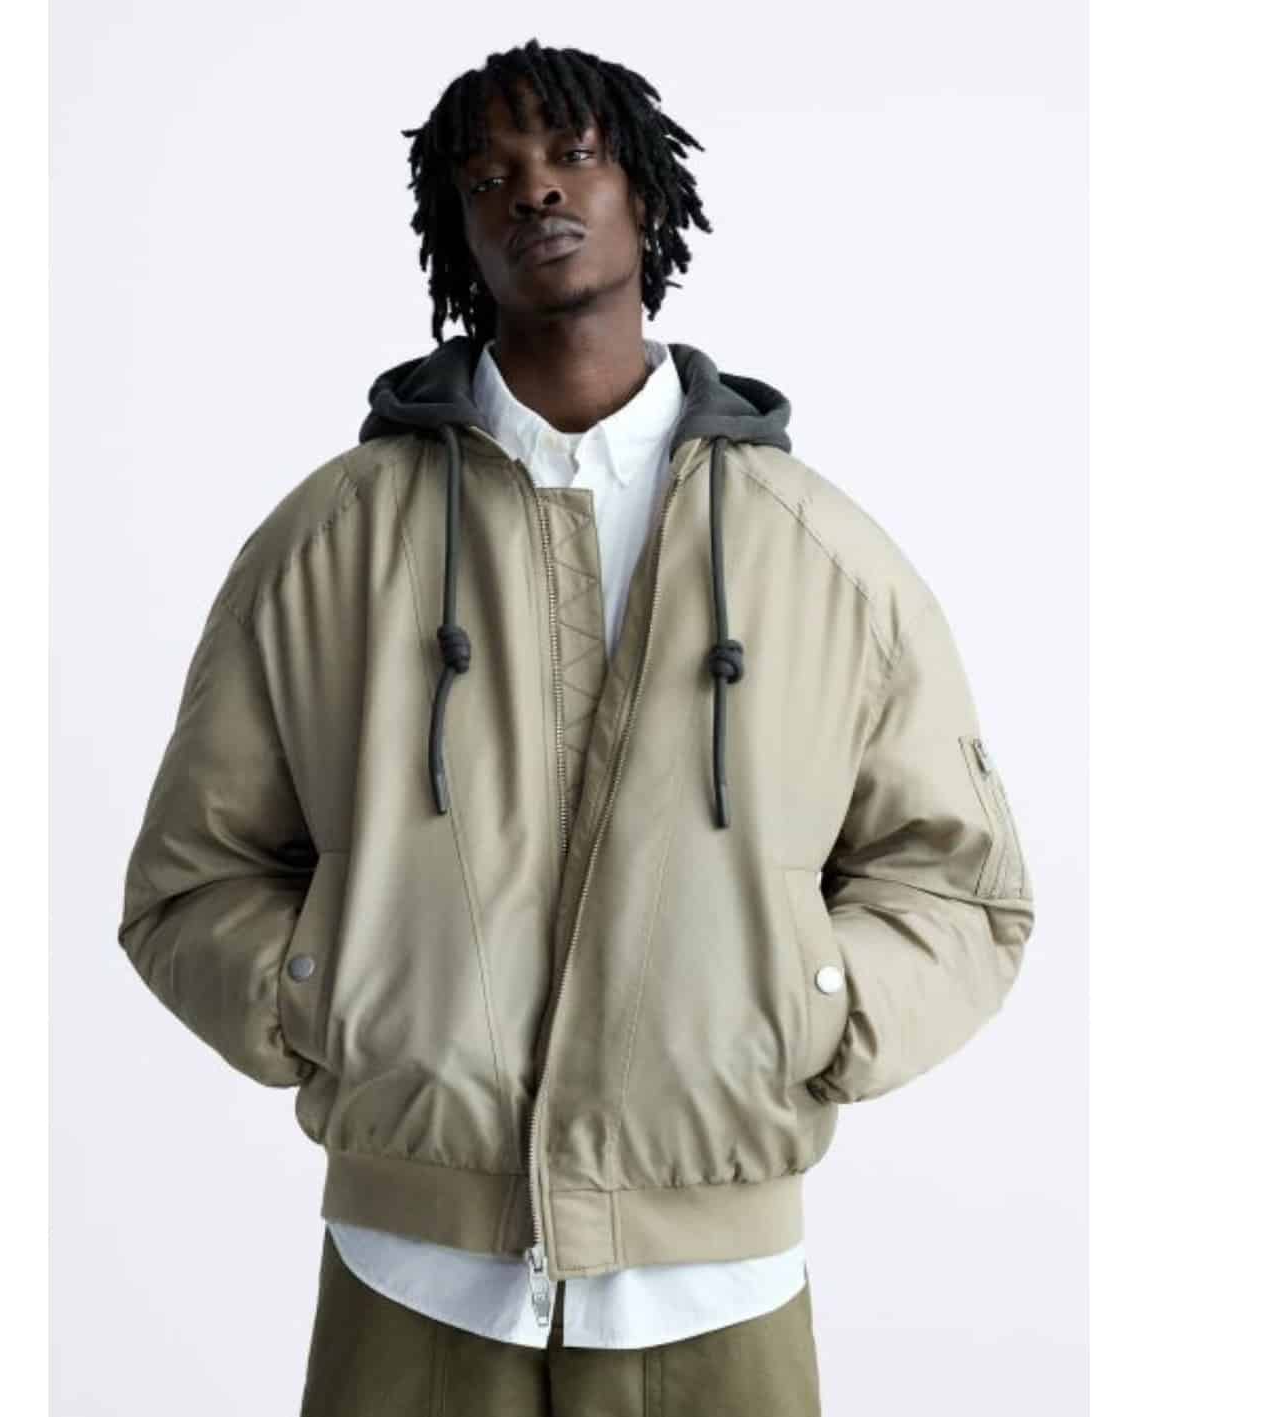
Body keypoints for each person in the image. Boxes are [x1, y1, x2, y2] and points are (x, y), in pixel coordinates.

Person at [116, 37, 1036, 1416]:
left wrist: (803, 1013)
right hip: (413, 1268)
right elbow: (190, 877)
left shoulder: (819, 555)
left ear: (642, 192)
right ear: (456, 230)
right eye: (489, 176)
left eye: (571, 155)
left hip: (716, 1279)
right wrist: (330, 1002)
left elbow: (959, 886)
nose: (533, 189)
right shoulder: (331, 542)